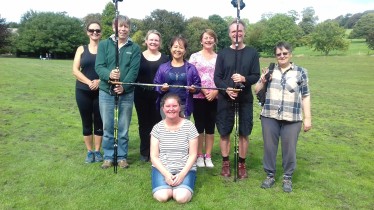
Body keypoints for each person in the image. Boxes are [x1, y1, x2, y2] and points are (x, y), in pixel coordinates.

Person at [255, 42, 312, 192]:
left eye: (285, 53)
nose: (282, 56)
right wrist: (263, 79)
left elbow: (305, 96)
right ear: (276, 56)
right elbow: (257, 90)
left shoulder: (301, 72)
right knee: (269, 147)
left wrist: (308, 118)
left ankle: (287, 177)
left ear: (290, 54)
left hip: (292, 117)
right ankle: (270, 175)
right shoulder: (270, 70)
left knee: (290, 148)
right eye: (279, 54)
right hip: (269, 115)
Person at [214, 19, 260, 179]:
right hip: (225, 98)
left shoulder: (252, 53)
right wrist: (226, 89)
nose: (237, 34)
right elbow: (217, 77)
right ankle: (226, 162)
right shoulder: (223, 53)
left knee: (244, 132)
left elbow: (256, 76)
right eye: (234, 31)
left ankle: (241, 163)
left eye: (239, 31)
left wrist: (243, 79)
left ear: (244, 33)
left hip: (245, 98)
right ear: (229, 34)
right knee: (224, 131)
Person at [95, 15, 141, 169]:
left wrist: (124, 86)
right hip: (106, 92)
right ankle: (108, 156)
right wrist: (109, 74)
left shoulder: (134, 48)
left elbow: (134, 71)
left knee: (123, 127)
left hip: (126, 94)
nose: (123, 29)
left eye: (126, 26)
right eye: (120, 26)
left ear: (129, 29)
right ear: (114, 27)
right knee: (108, 125)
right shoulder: (104, 45)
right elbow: (99, 66)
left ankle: (121, 156)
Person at [150, 93, 198, 203]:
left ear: (180, 107)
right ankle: (169, 186)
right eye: (168, 106)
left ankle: (180, 185)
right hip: (163, 168)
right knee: (162, 197)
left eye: (174, 106)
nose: (171, 109)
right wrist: (166, 174)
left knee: (181, 198)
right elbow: (154, 156)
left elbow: (193, 155)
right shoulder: (157, 128)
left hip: (184, 168)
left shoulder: (189, 126)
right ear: (163, 108)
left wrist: (181, 175)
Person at [134, 30, 169, 162]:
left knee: (158, 124)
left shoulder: (165, 58)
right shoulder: (138, 56)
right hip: (141, 94)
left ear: (159, 43)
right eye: (151, 40)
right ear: (146, 41)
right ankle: (144, 152)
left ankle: (156, 152)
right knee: (143, 124)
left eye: (156, 40)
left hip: (159, 95)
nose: (153, 42)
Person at [72, 21, 103, 163]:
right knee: (86, 122)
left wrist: (99, 81)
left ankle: (97, 151)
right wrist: (89, 82)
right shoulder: (81, 49)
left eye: (97, 30)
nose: (94, 33)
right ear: (87, 32)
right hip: (83, 90)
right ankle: (89, 152)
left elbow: (110, 70)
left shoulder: (105, 49)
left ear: (101, 32)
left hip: (101, 91)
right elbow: (75, 70)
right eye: (92, 30)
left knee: (99, 121)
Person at [189, 29, 218, 168]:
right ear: (201, 40)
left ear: (214, 41)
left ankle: (208, 156)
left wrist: (215, 91)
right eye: (206, 38)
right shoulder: (194, 57)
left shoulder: (219, 58)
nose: (208, 40)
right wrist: (202, 89)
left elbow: (222, 76)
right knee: (199, 126)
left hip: (214, 97)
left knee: (210, 127)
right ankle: (199, 155)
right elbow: (191, 76)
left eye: (211, 38)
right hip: (198, 96)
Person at [153, 35, 201, 119]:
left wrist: (194, 89)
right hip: (166, 106)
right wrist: (161, 88)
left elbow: (198, 86)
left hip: (184, 107)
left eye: (181, 47)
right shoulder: (163, 67)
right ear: (171, 49)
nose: (177, 50)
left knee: (183, 131)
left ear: (185, 50)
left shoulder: (191, 68)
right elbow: (156, 85)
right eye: (175, 47)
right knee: (167, 131)